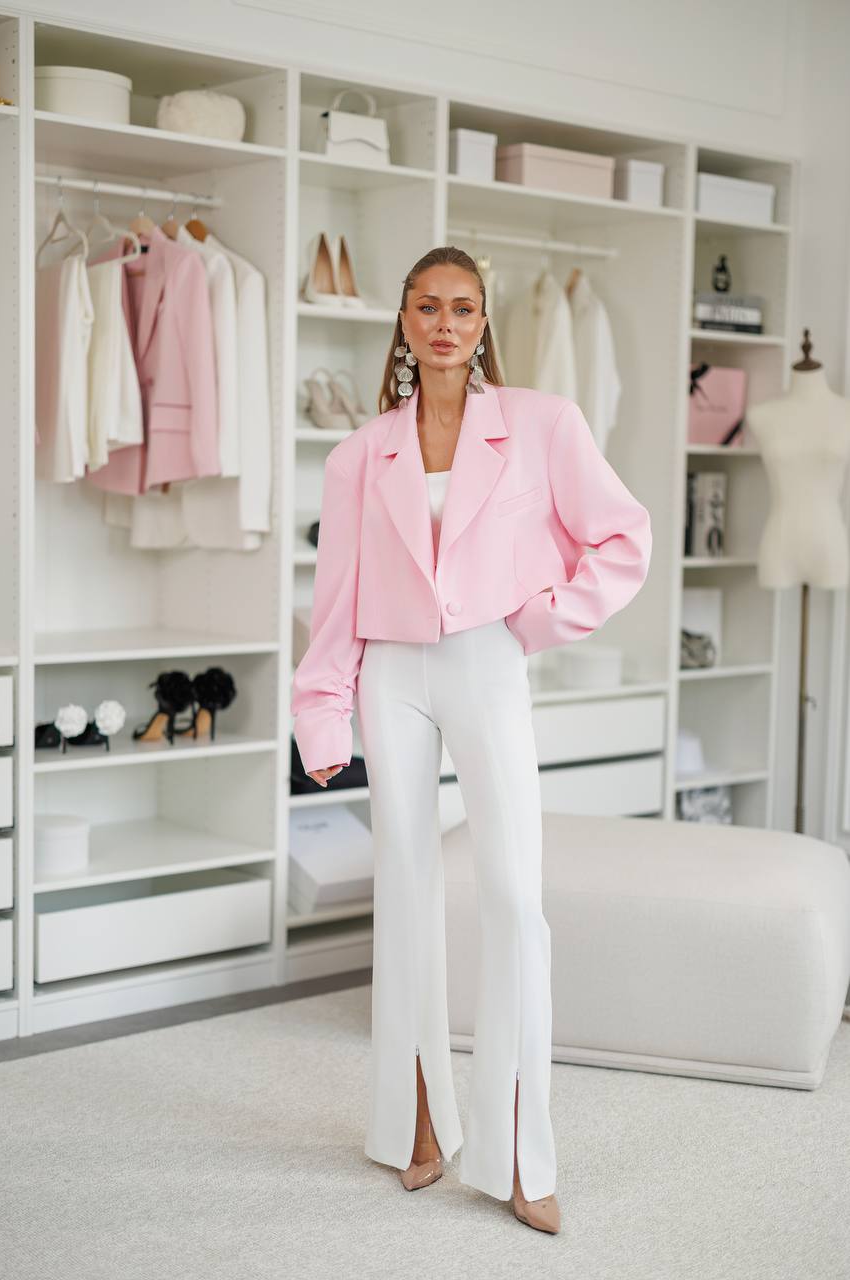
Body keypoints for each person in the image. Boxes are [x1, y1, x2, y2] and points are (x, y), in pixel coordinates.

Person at [291, 246, 653, 1234]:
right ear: (403, 322)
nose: (444, 323)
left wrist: (538, 619)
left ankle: (520, 1154)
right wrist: (321, 712)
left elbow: (623, 535)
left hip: (488, 660)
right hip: (389, 675)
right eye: (425, 306)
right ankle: (417, 1125)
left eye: (461, 307)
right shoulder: (359, 453)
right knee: (405, 896)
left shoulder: (541, 424)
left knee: (510, 898)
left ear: (483, 321)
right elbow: (333, 605)